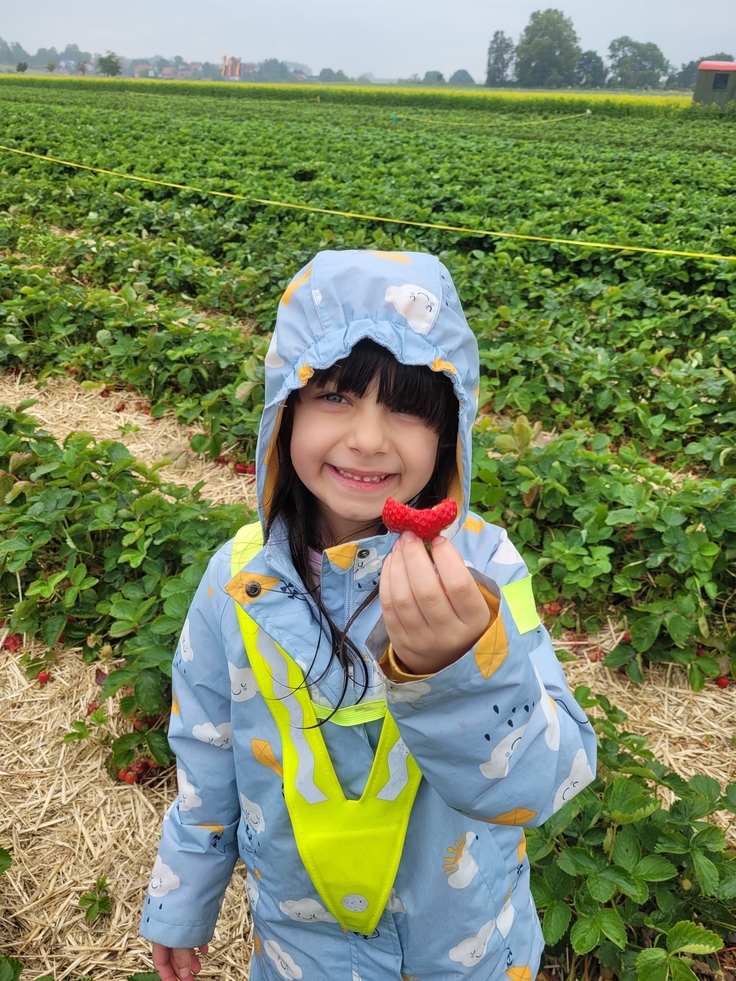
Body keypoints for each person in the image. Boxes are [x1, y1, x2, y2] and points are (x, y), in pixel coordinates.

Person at [141, 250, 596, 981]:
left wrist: (457, 665)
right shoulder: (237, 581)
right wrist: (181, 899)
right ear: (283, 410)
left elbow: (544, 783)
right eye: (335, 398)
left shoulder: (483, 571)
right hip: (302, 948)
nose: (369, 439)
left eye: (410, 409)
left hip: (466, 948)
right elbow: (205, 749)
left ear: (450, 432)